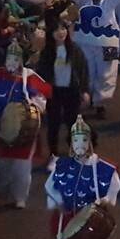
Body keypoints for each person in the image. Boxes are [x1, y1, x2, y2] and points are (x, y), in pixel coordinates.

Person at [0, 41, 52, 208]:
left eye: (15, 59)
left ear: (21, 60)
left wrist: (33, 109)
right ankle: (4, 184)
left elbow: (40, 98)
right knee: (0, 161)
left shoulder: (30, 77)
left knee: (22, 165)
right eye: (9, 58)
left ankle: (20, 196)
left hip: (24, 129)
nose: (11, 62)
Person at [44, 116, 120, 239]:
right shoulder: (61, 166)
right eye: (76, 140)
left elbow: (112, 189)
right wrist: (59, 202)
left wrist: (104, 201)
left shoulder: (104, 169)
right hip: (67, 221)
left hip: (92, 225)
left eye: (84, 140)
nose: (80, 145)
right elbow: (51, 187)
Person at [70, 0, 120, 119]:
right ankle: (88, 97)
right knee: (87, 71)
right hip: (86, 42)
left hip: (108, 43)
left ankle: (101, 103)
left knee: (106, 73)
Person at [36, 15, 90, 163]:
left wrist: (85, 91)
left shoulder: (75, 50)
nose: (61, 32)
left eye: (63, 29)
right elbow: (41, 74)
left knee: (73, 123)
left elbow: (83, 70)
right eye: (57, 30)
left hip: (72, 91)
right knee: (53, 124)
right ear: (51, 33)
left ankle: (76, 151)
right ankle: (53, 155)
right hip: (54, 93)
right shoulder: (47, 53)